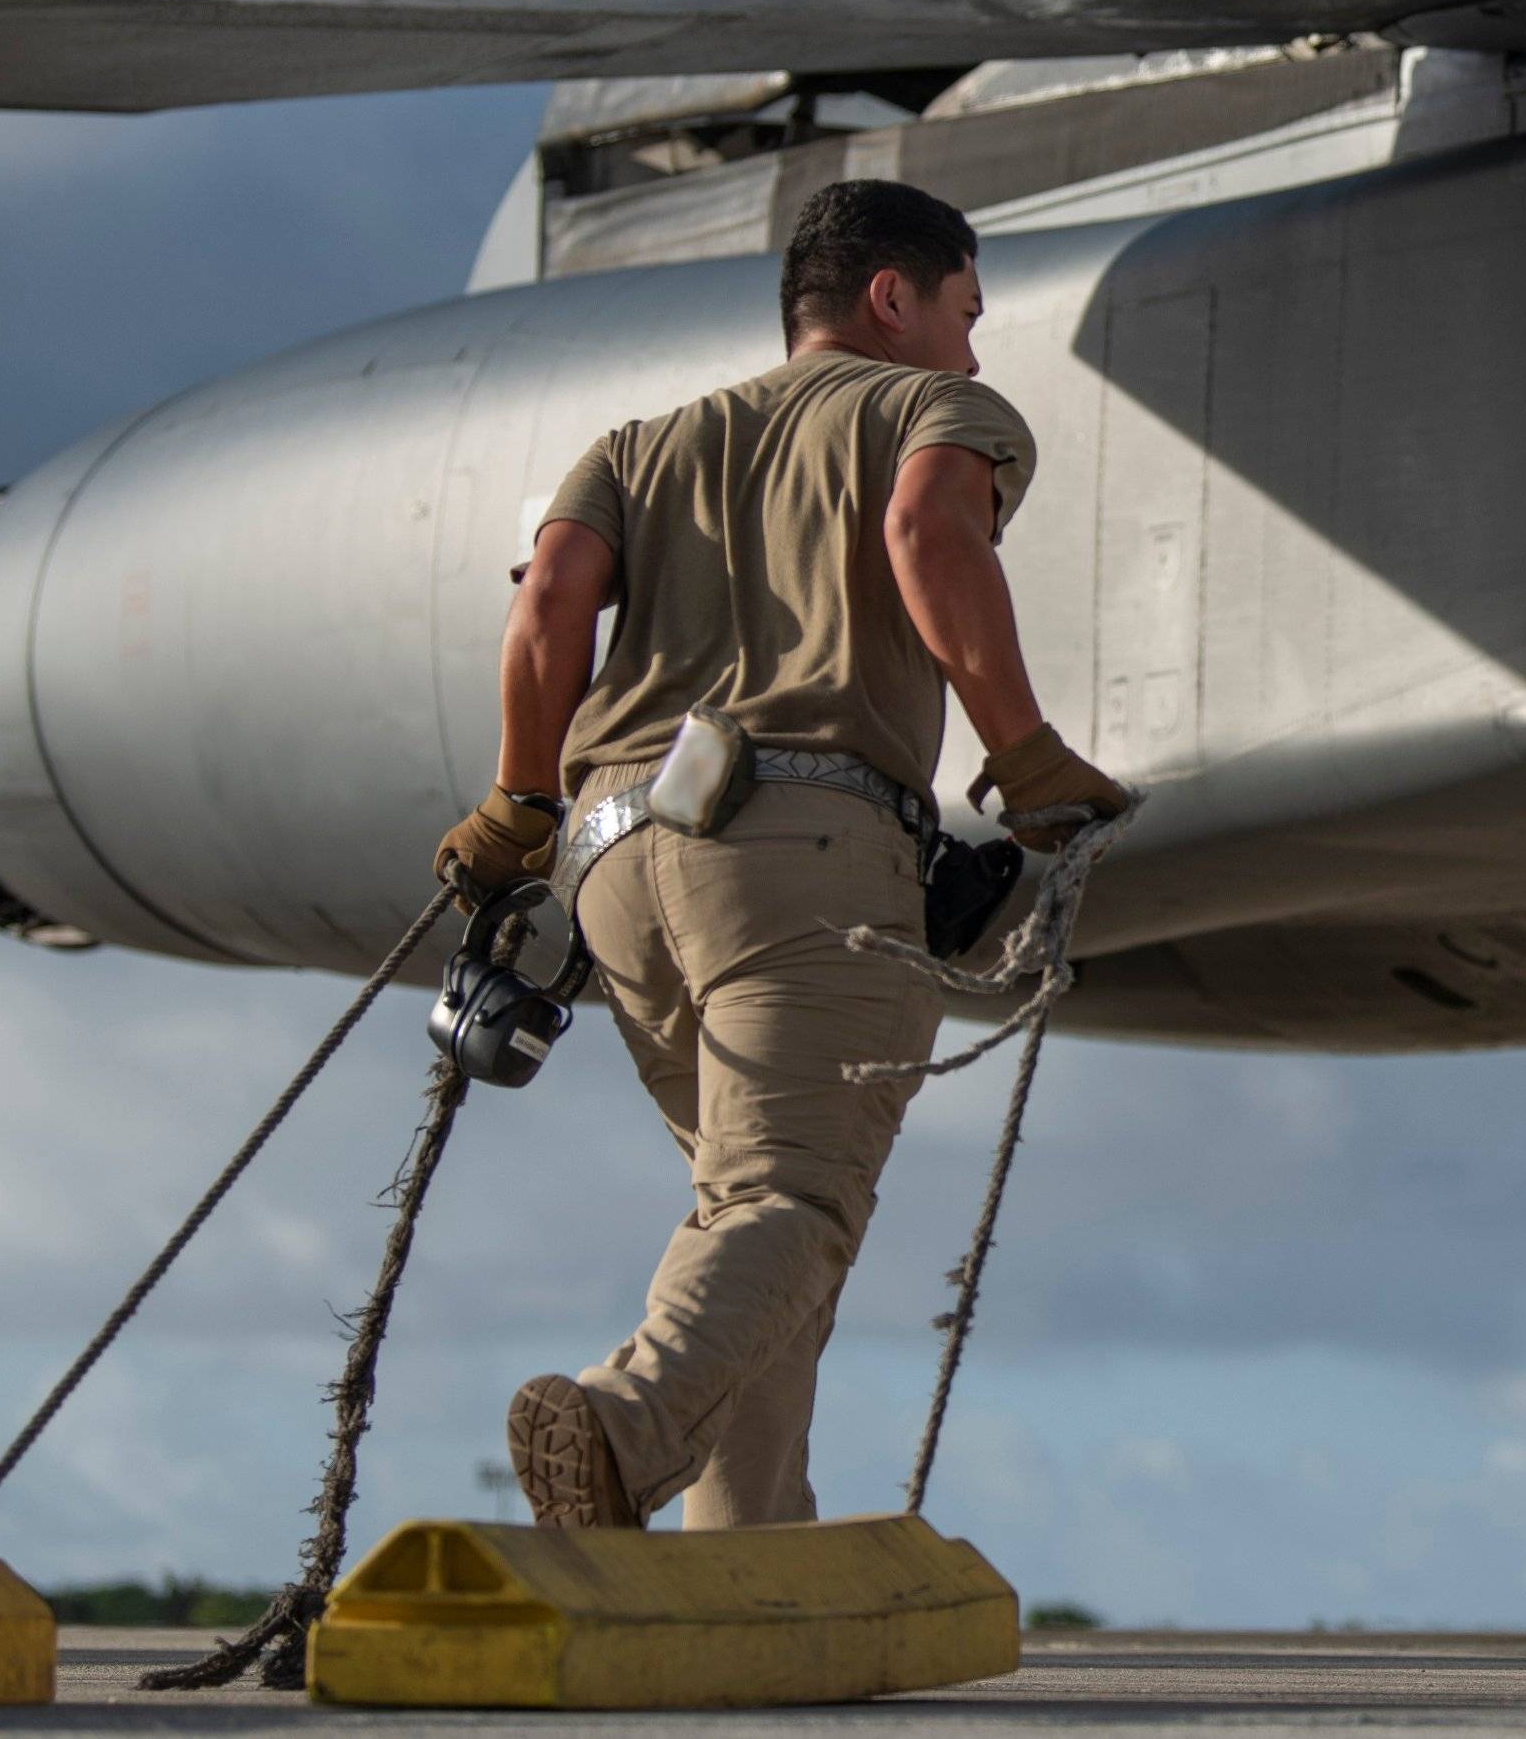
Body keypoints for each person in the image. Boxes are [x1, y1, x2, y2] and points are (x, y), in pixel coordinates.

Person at [433, 176, 1133, 1529]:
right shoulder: (938, 410)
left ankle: (747, 1544)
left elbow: (552, 604)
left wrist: (519, 800)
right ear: (894, 297)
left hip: (612, 870)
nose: (975, 348)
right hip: (799, 847)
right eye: (965, 310)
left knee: (751, 1217)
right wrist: (1029, 759)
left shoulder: (637, 444)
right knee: (794, 1194)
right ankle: (621, 1427)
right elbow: (930, 532)